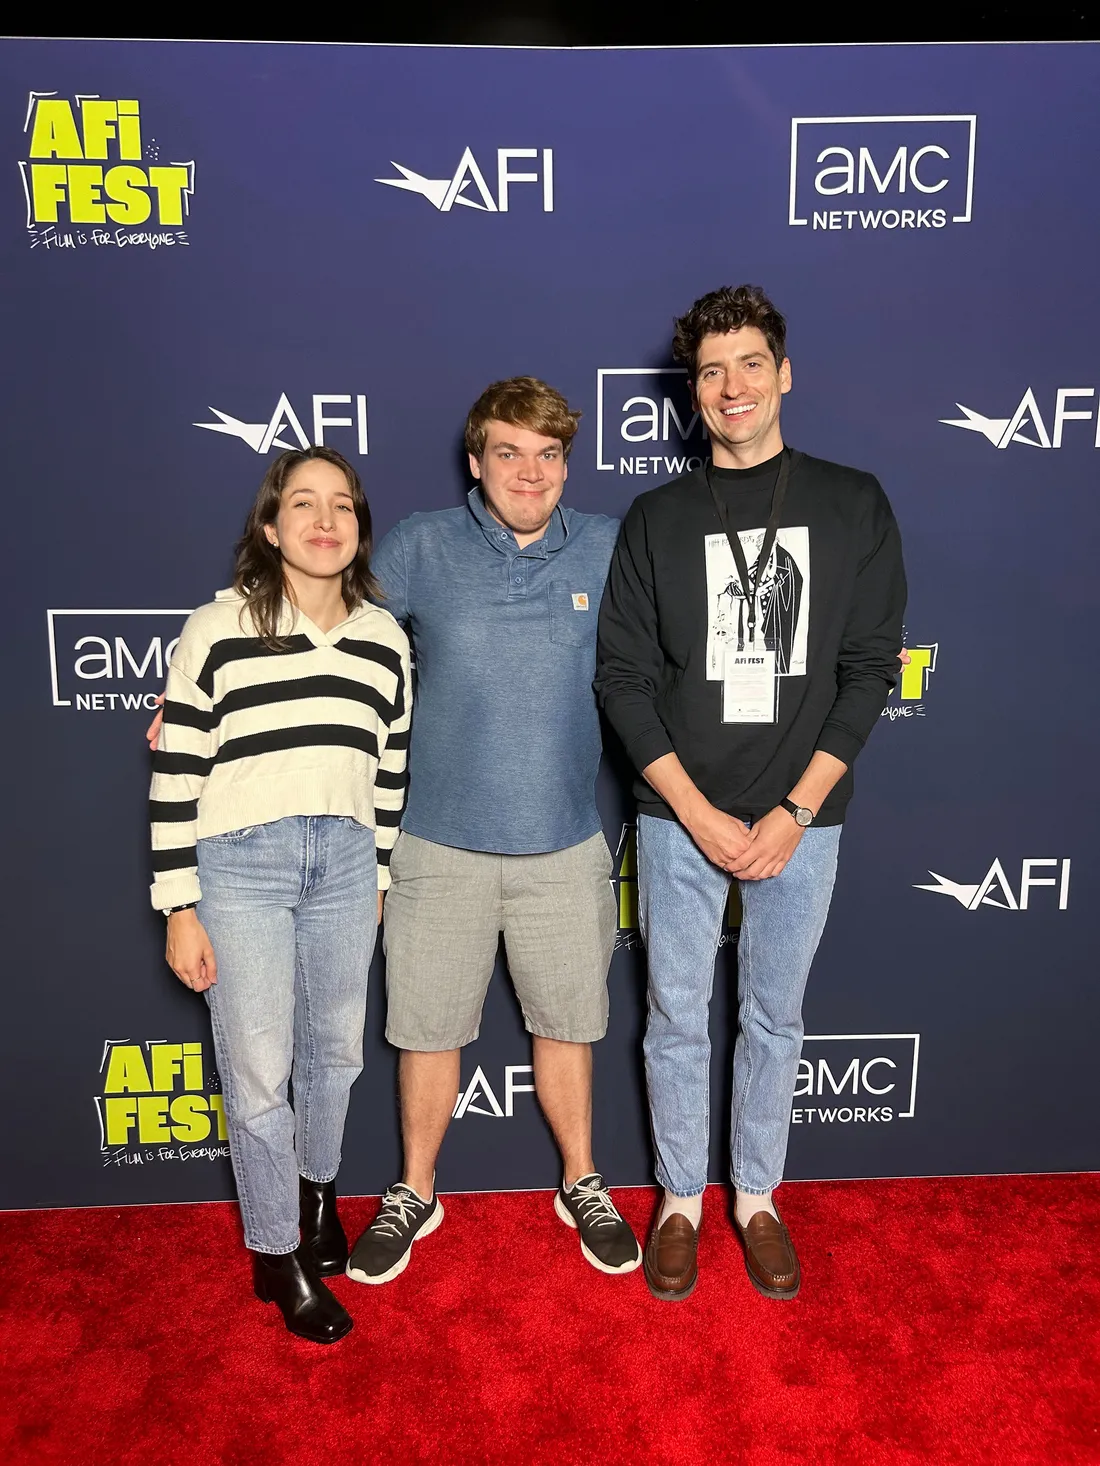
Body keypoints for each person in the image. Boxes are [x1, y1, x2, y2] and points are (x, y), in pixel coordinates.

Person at [595, 285, 907, 1303]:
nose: (730, 386)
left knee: (775, 1016)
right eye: (710, 370)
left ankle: (757, 1198)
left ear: (782, 372)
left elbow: (869, 670)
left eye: (747, 364)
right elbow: (624, 681)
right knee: (674, 1012)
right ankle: (680, 1199)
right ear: (693, 392)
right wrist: (692, 810)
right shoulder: (655, 518)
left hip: (799, 817)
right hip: (676, 815)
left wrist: (792, 811)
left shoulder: (850, 501)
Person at [344, 377, 643, 1285]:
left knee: (571, 1026)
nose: (531, 471)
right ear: (476, 462)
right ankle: (415, 1191)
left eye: (550, 455)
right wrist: (223, 676)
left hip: (563, 842)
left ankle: (582, 1182)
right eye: (509, 452)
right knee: (427, 1031)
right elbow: (336, 636)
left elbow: (679, 660)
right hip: (435, 845)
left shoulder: (607, 546)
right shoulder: (422, 545)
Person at [149, 445, 411, 1342]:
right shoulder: (217, 627)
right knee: (258, 1073)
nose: (324, 519)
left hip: (344, 862)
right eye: (303, 503)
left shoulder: (384, 639)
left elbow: (391, 772)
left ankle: (317, 1195)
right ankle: (279, 1256)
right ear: (270, 526)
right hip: (240, 864)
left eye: (341, 504)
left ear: (358, 528)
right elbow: (177, 771)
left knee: (334, 1054)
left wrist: (376, 873)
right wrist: (179, 904)